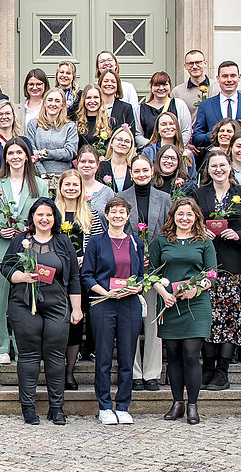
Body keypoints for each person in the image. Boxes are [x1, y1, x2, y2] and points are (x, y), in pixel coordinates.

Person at [1, 198, 82, 424]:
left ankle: (57, 407)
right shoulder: (20, 240)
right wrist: (22, 277)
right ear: (32, 218)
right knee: (28, 355)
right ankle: (28, 406)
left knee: (56, 356)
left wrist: (77, 308)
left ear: (54, 217)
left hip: (57, 305)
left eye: (49, 215)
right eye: (40, 215)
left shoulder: (63, 242)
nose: (44, 219)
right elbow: (5, 267)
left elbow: (74, 277)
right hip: (24, 304)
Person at [0, 138, 48, 365]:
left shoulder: (39, 184)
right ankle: (0, 347)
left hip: (28, 251)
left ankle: (22, 346)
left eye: (20, 152)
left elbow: (46, 213)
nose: (15, 157)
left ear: (27, 156)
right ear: (5, 157)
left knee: (24, 304)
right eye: (11, 153)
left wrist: (29, 229)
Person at [150, 198, 216, 424]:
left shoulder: (204, 241)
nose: (184, 218)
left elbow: (212, 274)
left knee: (190, 354)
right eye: (180, 214)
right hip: (169, 304)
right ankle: (177, 402)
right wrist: (163, 293)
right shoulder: (161, 241)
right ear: (173, 216)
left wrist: (195, 289)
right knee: (174, 356)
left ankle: (193, 405)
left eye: (189, 214)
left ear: (196, 217)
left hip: (196, 304)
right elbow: (152, 274)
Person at [81, 196, 144, 425]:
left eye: (122, 212)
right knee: (104, 356)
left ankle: (124, 405)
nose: (118, 216)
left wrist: (137, 286)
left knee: (127, 356)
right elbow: (87, 274)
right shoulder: (97, 242)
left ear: (128, 217)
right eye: (113, 211)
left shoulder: (136, 242)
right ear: (106, 215)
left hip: (129, 303)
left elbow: (141, 276)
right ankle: (105, 405)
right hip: (103, 303)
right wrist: (104, 292)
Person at [118, 154, 170, 392]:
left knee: (153, 323)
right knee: (131, 322)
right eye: (136, 171)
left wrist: (155, 255)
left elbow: (169, 231)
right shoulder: (122, 198)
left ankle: (151, 373)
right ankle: (135, 372)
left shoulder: (165, 198)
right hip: (129, 268)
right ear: (131, 173)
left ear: (152, 171)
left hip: (155, 267)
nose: (141, 175)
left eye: (145, 170)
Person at [195, 150, 241, 392]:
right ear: (208, 169)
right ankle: (208, 367)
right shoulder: (200, 193)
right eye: (214, 166)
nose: (219, 169)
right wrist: (202, 231)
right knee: (208, 318)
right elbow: (189, 222)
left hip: (233, 265)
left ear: (230, 167)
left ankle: (222, 371)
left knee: (229, 320)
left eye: (223, 165)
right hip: (205, 265)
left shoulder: (240, 194)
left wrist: (239, 235)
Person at [56, 168, 103, 390]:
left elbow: (100, 243)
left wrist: (87, 258)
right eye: (67, 185)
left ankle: (69, 372)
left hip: (81, 275)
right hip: (55, 275)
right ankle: (54, 369)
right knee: (56, 322)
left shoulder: (90, 214)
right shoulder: (52, 213)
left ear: (81, 188)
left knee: (76, 321)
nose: (71, 188)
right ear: (61, 187)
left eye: (75, 185)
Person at [26, 88, 78, 176]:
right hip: (39, 176)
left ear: (62, 105)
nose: (53, 104)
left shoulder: (70, 127)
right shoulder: (33, 125)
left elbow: (69, 152)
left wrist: (43, 153)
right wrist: (43, 175)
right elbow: (32, 154)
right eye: (50, 100)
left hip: (64, 177)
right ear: (45, 103)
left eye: (57, 101)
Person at [193, 60, 241, 151]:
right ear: (218, 79)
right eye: (225, 76)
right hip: (214, 158)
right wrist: (218, 134)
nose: (229, 80)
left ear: (239, 77)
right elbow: (197, 138)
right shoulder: (206, 105)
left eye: (233, 76)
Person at [140, 71, 192, 143]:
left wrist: (174, 147)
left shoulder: (179, 104)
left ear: (170, 86)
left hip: (175, 151)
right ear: (151, 87)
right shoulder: (140, 109)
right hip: (150, 152)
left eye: (165, 85)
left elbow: (186, 130)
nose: (161, 88)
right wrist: (152, 148)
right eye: (157, 85)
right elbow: (138, 134)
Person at [95, 51, 141, 131]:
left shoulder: (128, 87)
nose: (106, 63)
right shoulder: (93, 88)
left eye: (109, 60)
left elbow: (133, 114)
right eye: (102, 61)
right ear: (98, 67)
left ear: (116, 64)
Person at [98, 68, 140, 144]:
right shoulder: (94, 106)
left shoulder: (126, 108)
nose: (109, 84)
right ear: (100, 84)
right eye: (106, 81)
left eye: (113, 81)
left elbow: (131, 135)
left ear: (118, 85)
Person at [76, 145, 116, 218]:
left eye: (91, 162)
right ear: (77, 164)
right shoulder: (68, 189)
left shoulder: (107, 192)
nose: (87, 165)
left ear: (97, 165)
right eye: (83, 161)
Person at [97, 125, 136, 193]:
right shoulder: (100, 167)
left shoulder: (134, 168)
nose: (123, 143)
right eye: (119, 140)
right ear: (111, 142)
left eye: (127, 141)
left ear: (131, 146)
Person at [74, 84, 111, 149]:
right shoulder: (76, 123)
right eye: (88, 98)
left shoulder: (110, 123)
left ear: (101, 100)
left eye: (96, 97)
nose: (92, 101)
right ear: (83, 100)